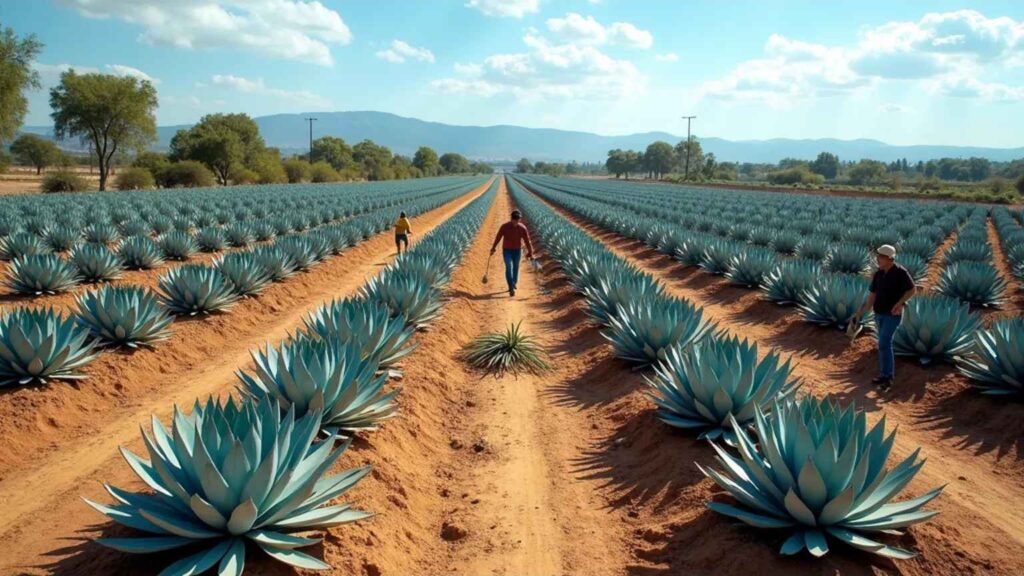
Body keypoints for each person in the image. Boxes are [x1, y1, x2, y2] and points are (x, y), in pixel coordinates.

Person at [855, 244, 916, 391]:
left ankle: (888, 377)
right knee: (883, 345)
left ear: (890, 258)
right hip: (879, 314)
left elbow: (912, 289)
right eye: (878, 256)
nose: (878, 259)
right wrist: (859, 313)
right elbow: (872, 297)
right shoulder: (878, 274)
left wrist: (900, 303)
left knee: (884, 342)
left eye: (881, 257)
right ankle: (884, 375)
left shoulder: (900, 272)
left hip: (892, 315)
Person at [490, 209, 534, 297]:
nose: (516, 221)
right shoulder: (504, 227)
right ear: (511, 219)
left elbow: (527, 241)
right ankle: (511, 286)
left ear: (519, 219)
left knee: (516, 267)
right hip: (507, 250)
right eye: (514, 219)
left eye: (518, 220)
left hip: (517, 251)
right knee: (508, 267)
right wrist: (493, 248)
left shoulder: (522, 228)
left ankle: (514, 282)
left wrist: (530, 252)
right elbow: (498, 237)